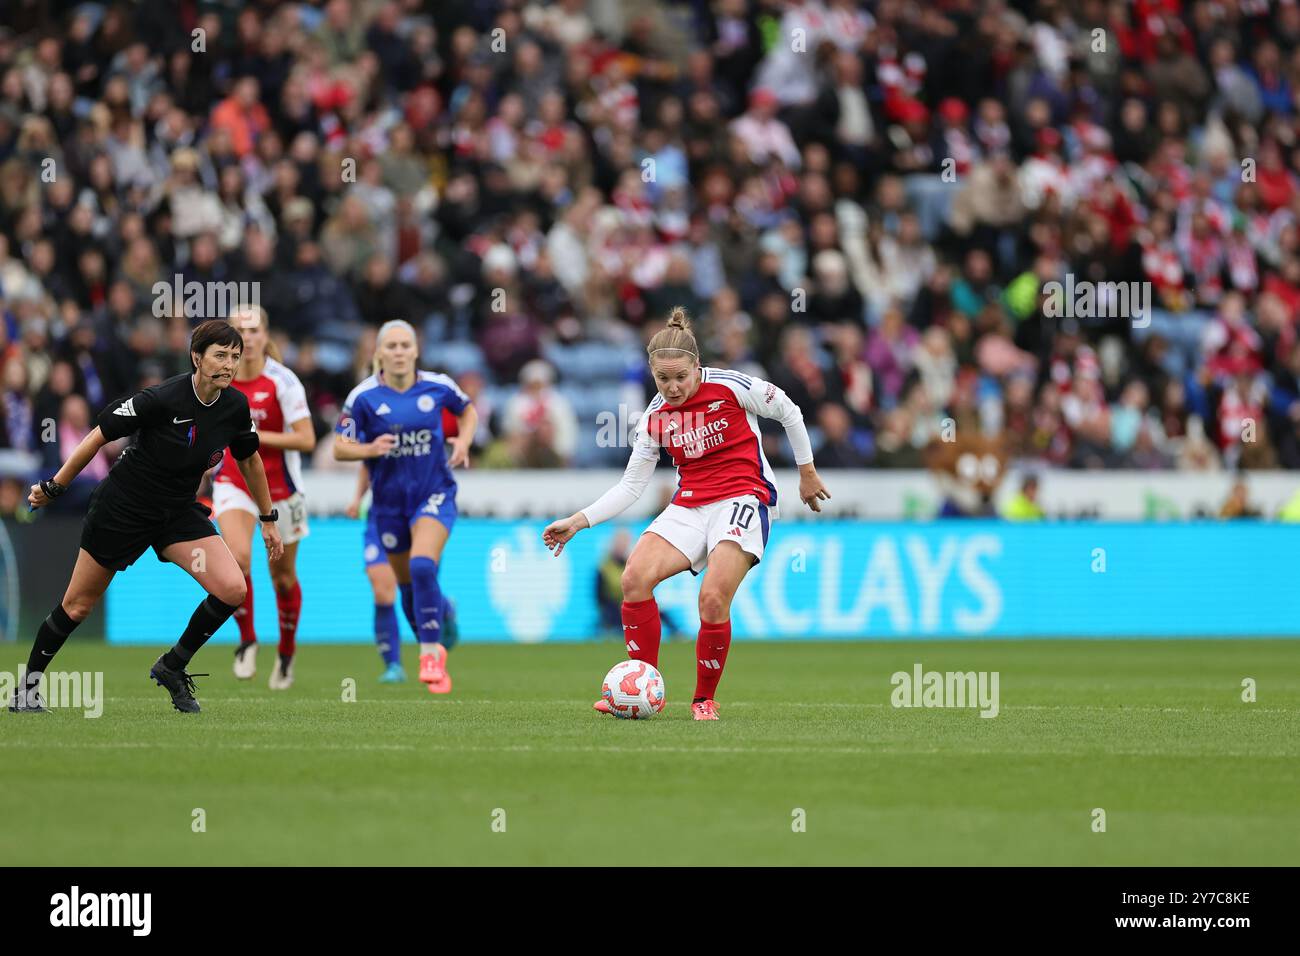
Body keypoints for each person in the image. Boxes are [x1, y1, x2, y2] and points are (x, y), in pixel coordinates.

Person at [543, 308, 830, 720]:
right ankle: (641, 686)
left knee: (712, 599)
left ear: (697, 366)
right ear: (652, 374)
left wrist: (806, 472)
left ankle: (703, 700)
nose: (673, 387)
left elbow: (788, 410)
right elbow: (631, 486)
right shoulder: (654, 419)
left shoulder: (732, 386)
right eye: (663, 379)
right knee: (634, 577)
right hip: (691, 502)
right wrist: (579, 519)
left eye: (681, 376)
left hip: (744, 497)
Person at [15, 320, 284, 714]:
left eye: (235, 357)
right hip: (124, 507)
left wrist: (268, 517)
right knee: (77, 606)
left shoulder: (234, 407)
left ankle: (173, 666)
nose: (229, 364)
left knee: (232, 588)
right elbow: (97, 436)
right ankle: (26, 689)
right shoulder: (161, 398)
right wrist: (54, 486)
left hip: (176, 513)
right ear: (197, 357)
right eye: (220, 355)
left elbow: (250, 460)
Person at [333, 320, 475, 694]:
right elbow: (338, 446)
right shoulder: (362, 397)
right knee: (407, 587)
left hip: (434, 494)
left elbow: (468, 411)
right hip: (388, 505)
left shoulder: (438, 385)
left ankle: (430, 655)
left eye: (404, 345)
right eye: (391, 346)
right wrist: (368, 449)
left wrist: (463, 442)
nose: (398, 352)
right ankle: (442, 619)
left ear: (415, 350)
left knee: (422, 565)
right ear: (378, 353)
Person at [213, 305, 315, 689]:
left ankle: (286, 651)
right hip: (234, 482)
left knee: (283, 578)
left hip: (281, 490)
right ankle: (247, 640)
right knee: (237, 559)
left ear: (265, 335)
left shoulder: (283, 382)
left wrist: (251, 437)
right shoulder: (220, 378)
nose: (248, 337)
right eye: (241, 330)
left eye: (254, 330)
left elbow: (307, 438)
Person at [346, 462, 459, 683]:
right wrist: (358, 497)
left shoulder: (423, 433)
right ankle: (393, 665)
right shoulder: (375, 428)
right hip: (381, 512)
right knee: (382, 589)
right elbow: (367, 461)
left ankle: (444, 609)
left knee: (417, 578)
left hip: (420, 507)